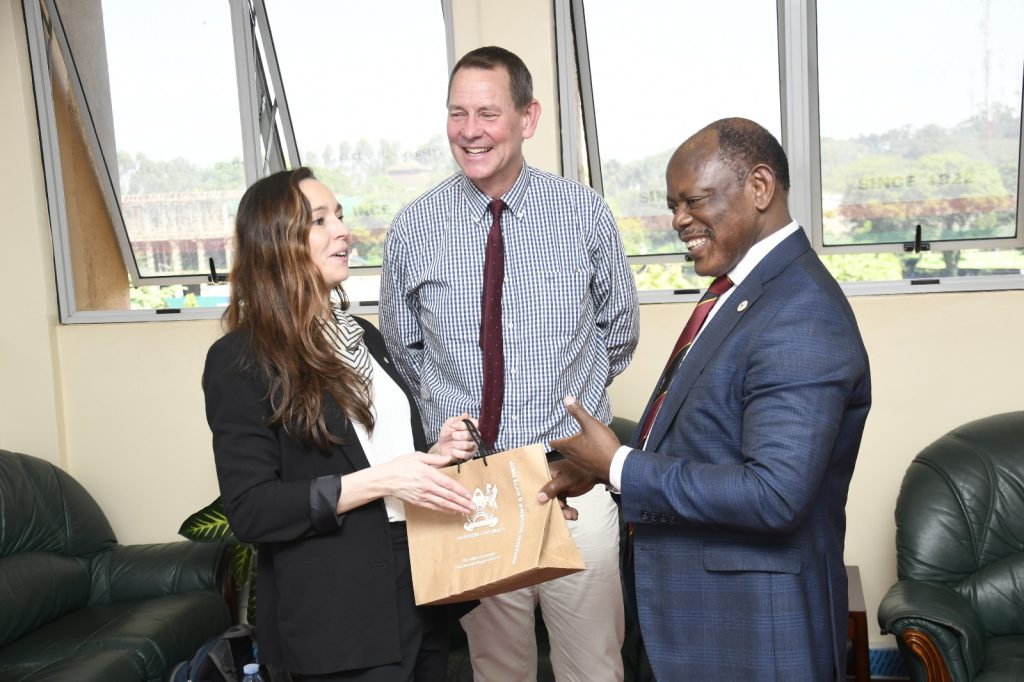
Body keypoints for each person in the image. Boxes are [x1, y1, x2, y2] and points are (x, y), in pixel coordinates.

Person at [539, 118, 872, 681]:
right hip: (700, 625)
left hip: (754, 635)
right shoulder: (740, 292)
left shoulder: (801, 312)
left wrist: (619, 465)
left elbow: (772, 495)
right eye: (672, 205)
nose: (678, 221)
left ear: (760, 187)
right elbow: (704, 436)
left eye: (693, 200)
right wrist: (602, 468)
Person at [379, 46, 638, 681]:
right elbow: (400, 344)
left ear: (528, 118)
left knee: (594, 668)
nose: (471, 131)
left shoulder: (583, 215)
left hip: (570, 480)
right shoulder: (413, 228)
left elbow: (621, 329)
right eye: (457, 113)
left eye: (489, 112)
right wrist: (446, 411)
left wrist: (570, 404)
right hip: (472, 491)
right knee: (497, 670)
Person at [203, 167, 480, 681]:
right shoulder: (239, 359)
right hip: (338, 615)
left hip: (419, 582)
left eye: (341, 216)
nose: (343, 231)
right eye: (320, 220)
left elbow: (382, 452)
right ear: (276, 243)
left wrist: (434, 448)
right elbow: (251, 510)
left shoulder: (363, 337)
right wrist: (382, 480)